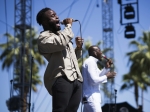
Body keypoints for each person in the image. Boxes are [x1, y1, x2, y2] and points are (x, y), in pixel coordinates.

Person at [36, 7, 83, 112]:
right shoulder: (43, 38)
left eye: (56, 15)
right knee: (60, 110)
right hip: (62, 78)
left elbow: (73, 58)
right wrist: (68, 26)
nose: (57, 17)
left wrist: (79, 47)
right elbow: (60, 43)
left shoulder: (62, 35)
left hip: (76, 79)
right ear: (44, 22)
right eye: (53, 16)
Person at [82, 45, 116, 112]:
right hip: (92, 98)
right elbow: (94, 80)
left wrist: (106, 68)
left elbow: (98, 77)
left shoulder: (91, 62)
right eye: (99, 50)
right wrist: (106, 76)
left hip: (88, 98)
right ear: (95, 53)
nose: (101, 53)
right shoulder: (90, 62)